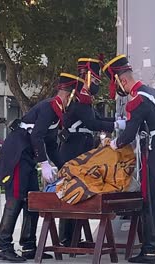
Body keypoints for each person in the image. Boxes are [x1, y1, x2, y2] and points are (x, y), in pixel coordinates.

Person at [102, 54, 155, 264]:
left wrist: (114, 144)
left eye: (117, 84)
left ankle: (150, 251)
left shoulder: (137, 99)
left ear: (123, 81)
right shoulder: (151, 92)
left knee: (151, 201)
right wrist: (123, 125)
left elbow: (129, 135)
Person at [0, 73, 78, 262]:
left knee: (32, 201)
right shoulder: (49, 107)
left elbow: (50, 145)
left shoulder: (57, 114)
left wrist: (66, 167)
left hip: (28, 158)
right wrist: (44, 163)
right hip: (17, 155)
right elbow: (36, 137)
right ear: (68, 95)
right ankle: (3, 246)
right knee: (15, 200)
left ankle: (29, 246)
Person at [57, 58, 121, 246]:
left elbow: (99, 118)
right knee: (70, 192)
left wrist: (118, 119)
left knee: (80, 193)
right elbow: (93, 123)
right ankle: (66, 238)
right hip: (72, 151)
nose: (96, 85)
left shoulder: (85, 101)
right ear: (86, 78)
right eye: (94, 81)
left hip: (81, 150)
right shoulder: (79, 101)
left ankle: (75, 236)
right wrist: (118, 124)